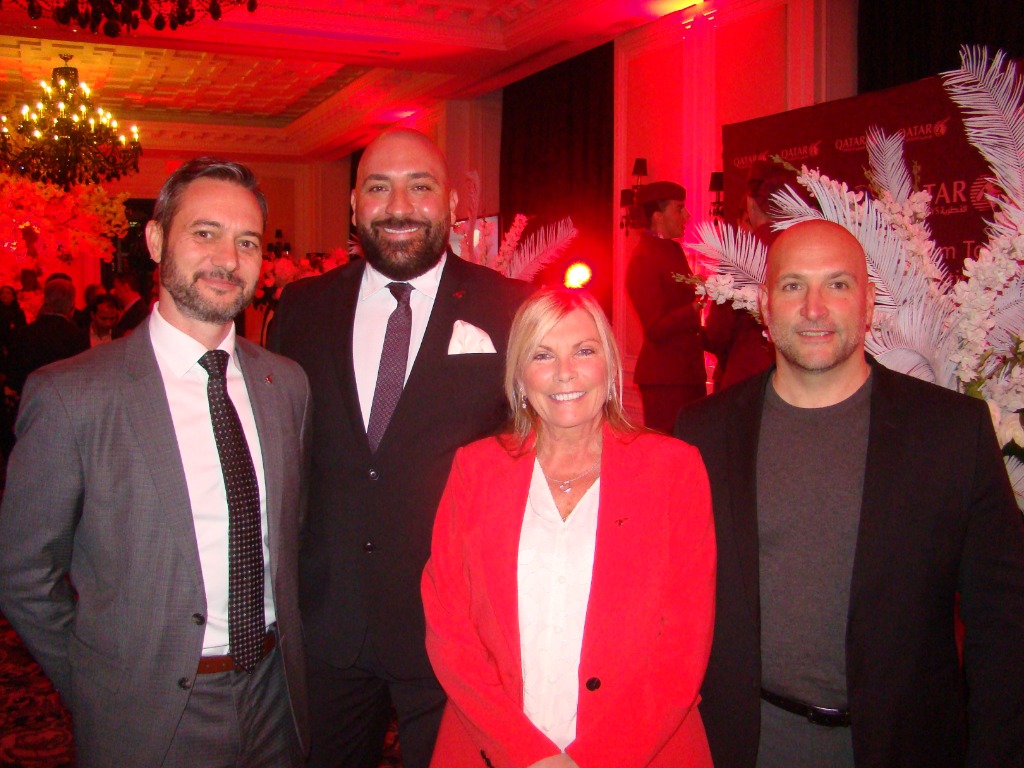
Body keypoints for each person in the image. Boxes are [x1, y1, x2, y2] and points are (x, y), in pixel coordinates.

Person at [674, 219, 1024, 767]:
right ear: (765, 306)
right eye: (793, 285)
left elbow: (1004, 624)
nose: (814, 308)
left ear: (868, 305)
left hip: (905, 747)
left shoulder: (952, 432)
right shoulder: (703, 433)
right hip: (747, 746)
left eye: (837, 284)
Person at [0, 158, 313, 768]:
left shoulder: (287, 385)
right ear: (155, 239)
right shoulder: (71, 395)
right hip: (148, 713)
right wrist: (99, 684)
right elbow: (24, 575)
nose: (227, 258)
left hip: (277, 696)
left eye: (247, 241)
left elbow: (291, 536)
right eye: (205, 232)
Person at [270, 127, 530, 768]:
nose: (399, 206)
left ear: (451, 205)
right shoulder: (301, 309)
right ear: (354, 205)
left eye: (420, 187)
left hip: (454, 628)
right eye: (379, 188)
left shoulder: (510, 308)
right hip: (328, 622)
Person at [421, 287, 716, 767]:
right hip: (492, 747)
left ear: (609, 366)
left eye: (583, 351)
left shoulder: (673, 470)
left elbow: (684, 645)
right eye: (542, 355)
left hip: (643, 750)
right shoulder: (475, 469)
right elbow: (448, 629)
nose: (565, 373)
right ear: (520, 375)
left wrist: (595, 760)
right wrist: (526, 754)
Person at [625, 181, 706, 432]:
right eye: (679, 208)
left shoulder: (672, 249)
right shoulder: (643, 258)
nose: (687, 215)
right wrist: (694, 309)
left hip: (687, 373)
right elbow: (655, 327)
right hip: (665, 378)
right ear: (658, 216)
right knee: (669, 446)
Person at [4, 275, 89, 395]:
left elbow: (14, 372)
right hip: (65, 396)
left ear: (45, 301)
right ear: (72, 304)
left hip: (32, 396)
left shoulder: (26, 333)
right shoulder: (78, 336)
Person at [111, 269, 149, 339]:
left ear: (125, 287)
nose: (115, 292)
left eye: (116, 288)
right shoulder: (133, 309)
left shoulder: (139, 313)